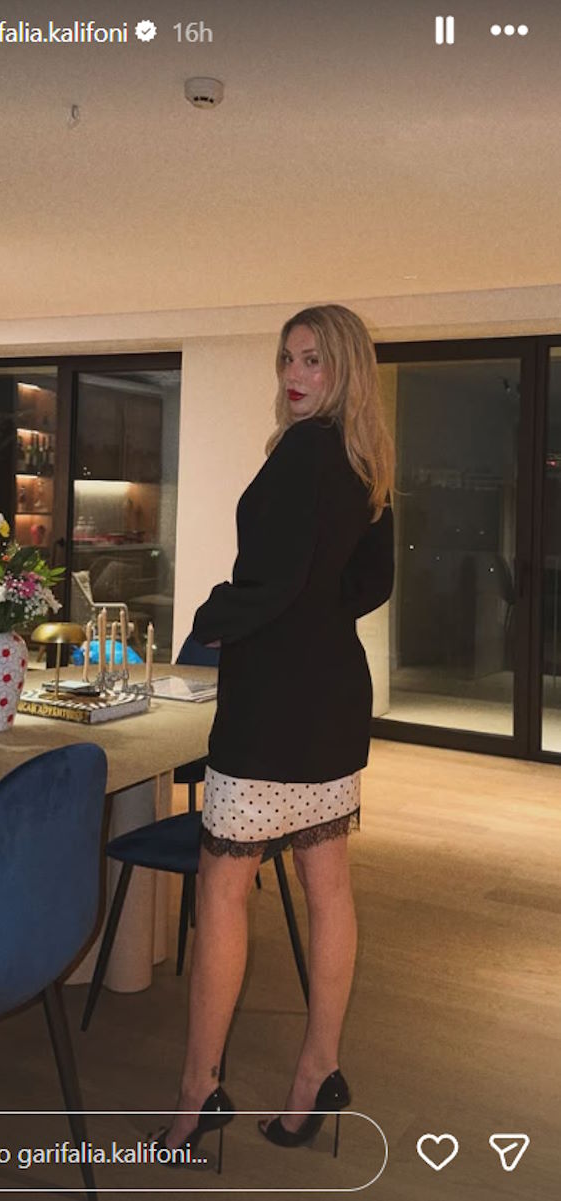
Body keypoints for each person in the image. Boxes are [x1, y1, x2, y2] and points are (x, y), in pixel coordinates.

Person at [153, 304, 395, 1167]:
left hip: (272, 708)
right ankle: (315, 1073)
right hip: (333, 698)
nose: (295, 375)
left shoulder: (302, 453)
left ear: (345, 369)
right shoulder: (367, 461)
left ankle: (197, 1093)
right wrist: (311, 617)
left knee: (222, 887)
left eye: (314, 360)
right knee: (327, 885)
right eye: (288, 358)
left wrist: (214, 616)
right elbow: (369, 585)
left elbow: (272, 579)